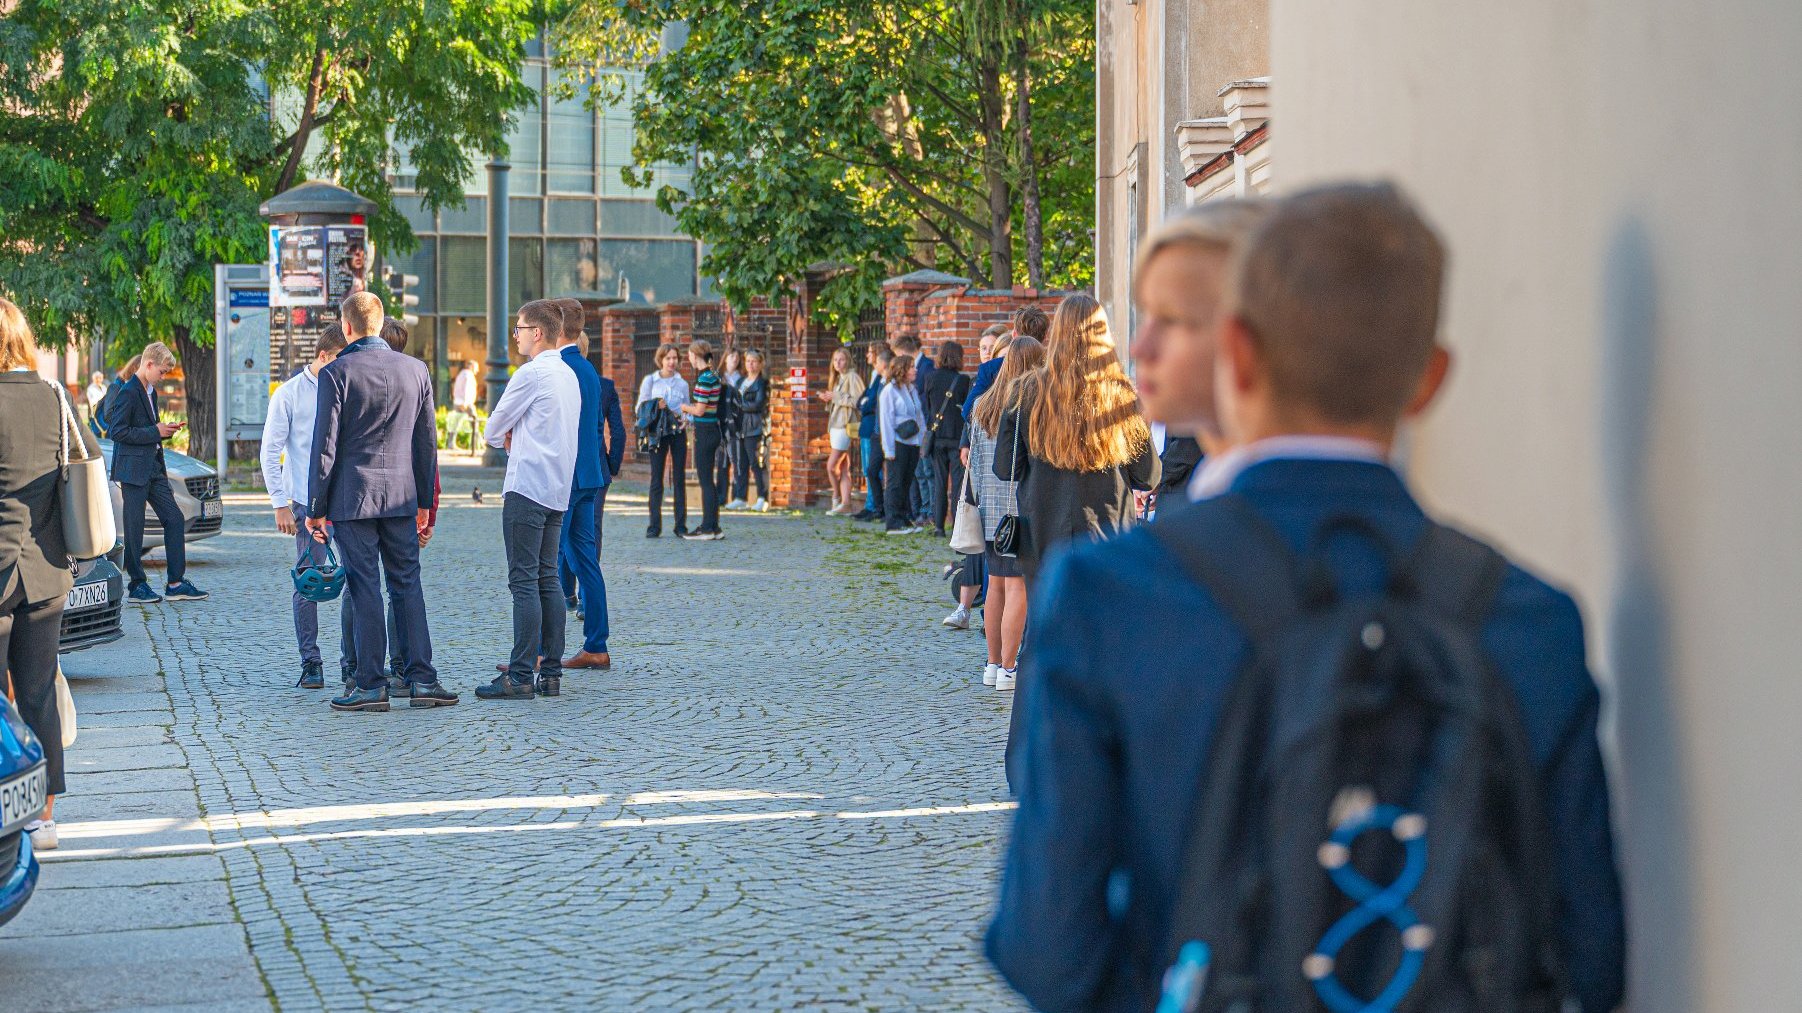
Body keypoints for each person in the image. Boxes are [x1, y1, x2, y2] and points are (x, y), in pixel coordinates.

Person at [987, 184, 1625, 1013]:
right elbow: (1592, 956)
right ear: (1430, 380)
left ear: (1238, 356)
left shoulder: (1109, 598)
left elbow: (1047, 948)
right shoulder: (1533, 618)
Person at [306, 291, 455, 712]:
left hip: (353, 498)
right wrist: (425, 500)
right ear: (381, 321)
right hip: (404, 495)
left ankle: (371, 684)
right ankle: (422, 679)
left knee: (365, 584)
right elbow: (427, 443)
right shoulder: (416, 369)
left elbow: (324, 447)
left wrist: (316, 507)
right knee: (408, 583)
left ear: (346, 327)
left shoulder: (336, 373)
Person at [0, 297, 103, 852]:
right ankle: (43, 817)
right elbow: (85, 461)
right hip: (45, 573)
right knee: (38, 692)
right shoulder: (56, 396)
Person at [992, 294, 1159, 585]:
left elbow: (1005, 468)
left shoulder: (1024, 392)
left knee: (1048, 624)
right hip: (1108, 535)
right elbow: (1148, 476)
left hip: (1042, 532)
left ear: (1056, 334)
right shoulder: (1123, 398)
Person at [477, 300, 582, 700]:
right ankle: (551, 672)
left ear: (537, 332)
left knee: (523, 581)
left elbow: (492, 428)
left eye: (519, 327)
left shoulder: (531, 374)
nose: (516, 334)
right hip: (558, 488)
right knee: (548, 579)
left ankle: (520, 674)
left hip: (527, 487)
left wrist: (509, 436)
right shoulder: (568, 375)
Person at [261, 323, 350, 690]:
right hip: (303, 501)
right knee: (309, 582)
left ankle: (353, 662)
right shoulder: (290, 394)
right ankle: (311, 662)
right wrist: (279, 504)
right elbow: (270, 451)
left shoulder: (347, 388)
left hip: (346, 501)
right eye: (340, 360)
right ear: (324, 356)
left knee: (357, 581)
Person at [966, 335, 1045, 691]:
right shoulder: (1028, 405)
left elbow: (976, 464)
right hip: (1018, 507)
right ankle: (1010, 667)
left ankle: (993, 662)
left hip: (989, 508)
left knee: (994, 585)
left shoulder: (982, 404)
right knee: (1017, 588)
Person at [106, 341, 208, 605]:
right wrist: (156, 432)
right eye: (162, 372)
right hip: (132, 470)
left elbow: (148, 428)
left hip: (153, 469)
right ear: (148, 364)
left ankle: (175, 583)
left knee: (174, 518)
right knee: (134, 527)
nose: (163, 378)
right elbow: (116, 432)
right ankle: (137, 586)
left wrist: (164, 430)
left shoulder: (150, 392)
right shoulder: (128, 392)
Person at [553, 298, 624, 673]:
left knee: (547, 562)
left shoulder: (560, 366)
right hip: (590, 475)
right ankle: (596, 644)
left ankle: (544, 652)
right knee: (585, 560)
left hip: (565, 477)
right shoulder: (589, 369)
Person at [636, 343, 690, 538]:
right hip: (657, 433)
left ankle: (680, 525)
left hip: (677, 432)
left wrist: (686, 420)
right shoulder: (651, 381)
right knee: (656, 479)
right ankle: (654, 526)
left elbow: (687, 407)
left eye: (675, 358)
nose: (672, 362)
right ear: (661, 360)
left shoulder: (682, 384)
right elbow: (640, 408)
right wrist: (655, 405)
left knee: (679, 478)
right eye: (668, 358)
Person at [921, 340, 972, 538]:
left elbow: (928, 407)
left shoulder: (930, 378)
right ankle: (956, 528)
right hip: (958, 439)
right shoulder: (963, 381)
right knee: (958, 484)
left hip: (937, 436)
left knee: (940, 483)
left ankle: (939, 527)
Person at [680, 339, 726, 540]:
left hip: (705, 432)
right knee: (709, 481)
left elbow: (699, 409)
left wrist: (684, 407)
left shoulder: (705, 378)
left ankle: (707, 528)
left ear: (695, 355)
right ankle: (714, 526)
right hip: (711, 429)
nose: (688, 358)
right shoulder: (713, 375)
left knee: (705, 480)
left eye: (689, 354)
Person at [878, 353, 926, 535]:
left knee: (907, 481)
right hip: (898, 442)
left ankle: (904, 517)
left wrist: (921, 442)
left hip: (912, 442)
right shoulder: (889, 391)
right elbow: (886, 421)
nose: (915, 370)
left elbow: (919, 416)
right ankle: (893, 522)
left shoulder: (912, 389)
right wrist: (888, 449)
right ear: (902, 370)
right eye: (912, 366)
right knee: (895, 482)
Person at [819, 346, 866, 515]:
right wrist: (829, 399)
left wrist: (836, 397)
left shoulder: (852, 377)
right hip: (835, 425)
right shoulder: (838, 378)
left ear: (848, 360)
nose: (838, 363)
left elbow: (859, 401)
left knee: (831, 466)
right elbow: (838, 401)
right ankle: (846, 503)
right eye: (835, 360)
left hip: (844, 426)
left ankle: (836, 497)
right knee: (844, 467)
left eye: (841, 359)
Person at [730, 349, 771, 511]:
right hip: (738, 426)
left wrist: (740, 406)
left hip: (753, 427)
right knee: (740, 463)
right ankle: (740, 497)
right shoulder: (740, 381)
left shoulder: (762, 383)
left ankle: (762, 498)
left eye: (754, 361)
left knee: (755, 463)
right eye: (748, 361)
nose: (750, 364)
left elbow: (758, 404)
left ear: (760, 364)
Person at [854, 346, 892, 521]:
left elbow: (869, 404)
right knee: (869, 469)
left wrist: (864, 403)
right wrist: (863, 403)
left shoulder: (882, 379)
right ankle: (874, 506)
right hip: (871, 428)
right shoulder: (874, 377)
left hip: (876, 429)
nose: (867, 355)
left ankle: (876, 506)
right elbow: (861, 400)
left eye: (871, 352)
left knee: (874, 470)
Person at [717, 348, 744, 504]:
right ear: (725, 359)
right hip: (721, 423)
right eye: (731, 356)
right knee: (722, 462)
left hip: (736, 424)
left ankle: (737, 496)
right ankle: (721, 497)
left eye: (737, 356)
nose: (734, 359)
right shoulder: (720, 378)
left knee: (737, 460)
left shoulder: (741, 379)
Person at [93, 354, 141, 439]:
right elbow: (108, 415)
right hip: (112, 439)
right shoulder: (116, 387)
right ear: (134, 369)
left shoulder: (136, 389)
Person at [447, 359, 480, 453]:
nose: (477, 371)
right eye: (476, 368)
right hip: (466, 403)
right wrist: (465, 402)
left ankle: (451, 443)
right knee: (475, 423)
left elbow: (455, 388)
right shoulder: (468, 375)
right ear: (472, 367)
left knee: (455, 424)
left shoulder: (461, 374)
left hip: (457, 401)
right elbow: (467, 389)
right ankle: (477, 445)